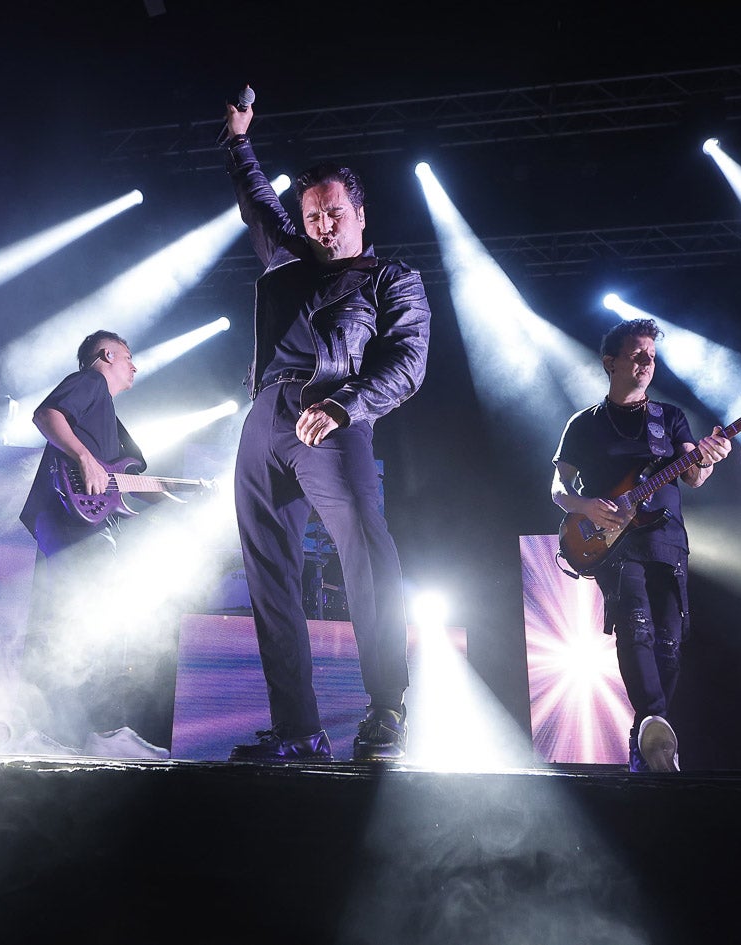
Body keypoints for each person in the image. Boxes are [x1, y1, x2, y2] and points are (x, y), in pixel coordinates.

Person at [219, 88, 431, 763]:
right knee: (268, 575)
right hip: (263, 420)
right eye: (311, 215)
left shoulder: (389, 280)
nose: (321, 225)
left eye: (333, 212)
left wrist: (345, 405)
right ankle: (296, 728)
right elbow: (257, 198)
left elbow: (409, 362)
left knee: (365, 548)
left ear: (359, 214)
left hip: (333, 418)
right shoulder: (286, 258)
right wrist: (238, 141)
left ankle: (386, 707)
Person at [551, 318, 730, 772]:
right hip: (614, 544)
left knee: (669, 639)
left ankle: (647, 737)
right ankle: (654, 720)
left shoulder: (668, 418)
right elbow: (557, 487)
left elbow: (693, 475)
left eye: (651, 354)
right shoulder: (585, 423)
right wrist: (586, 506)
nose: (648, 362)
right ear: (610, 362)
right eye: (637, 354)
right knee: (635, 625)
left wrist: (709, 457)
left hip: (667, 540)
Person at [18, 329, 162, 756]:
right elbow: (46, 415)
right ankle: (92, 732)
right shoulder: (91, 382)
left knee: (80, 617)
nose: (134, 366)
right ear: (106, 354)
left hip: (78, 523)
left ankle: (73, 731)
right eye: (129, 357)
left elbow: (122, 477)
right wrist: (83, 457)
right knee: (97, 616)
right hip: (71, 521)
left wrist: (182, 492)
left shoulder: (106, 415)